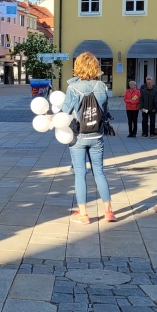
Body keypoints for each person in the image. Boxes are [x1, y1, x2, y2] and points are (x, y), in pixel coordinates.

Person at [60, 52, 113, 224]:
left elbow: (65, 112)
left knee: (80, 175)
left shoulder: (73, 88)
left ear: (78, 67)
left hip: (79, 136)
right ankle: (109, 212)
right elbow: (104, 111)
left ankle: (83, 214)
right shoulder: (102, 86)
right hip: (97, 135)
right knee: (99, 172)